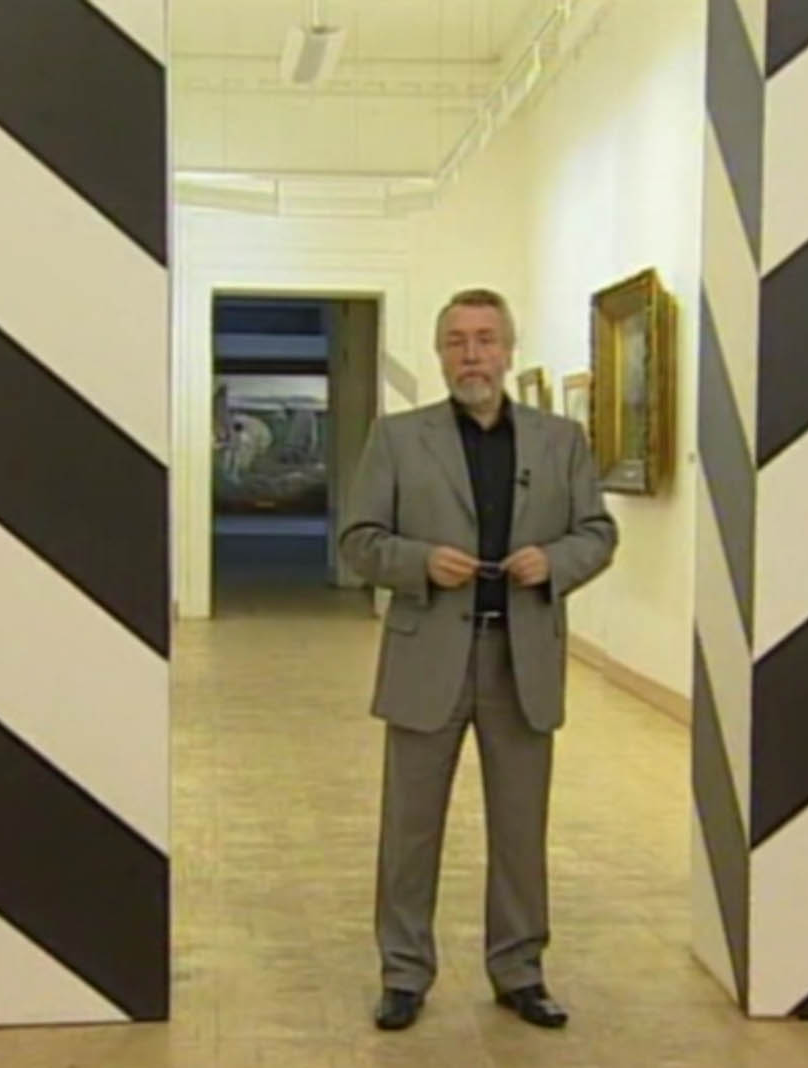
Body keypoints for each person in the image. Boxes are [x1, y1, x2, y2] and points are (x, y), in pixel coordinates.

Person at [339, 288, 618, 1032]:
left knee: (521, 830)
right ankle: (404, 974)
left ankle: (520, 971)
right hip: (427, 658)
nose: (472, 355)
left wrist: (554, 563)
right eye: (457, 341)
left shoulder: (562, 441)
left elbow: (597, 532)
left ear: (508, 350)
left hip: (521, 660)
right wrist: (419, 562)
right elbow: (358, 540)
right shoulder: (397, 439)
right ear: (439, 354)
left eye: (486, 340)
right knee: (410, 829)